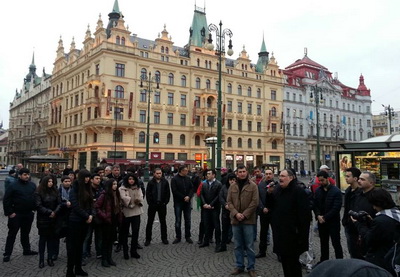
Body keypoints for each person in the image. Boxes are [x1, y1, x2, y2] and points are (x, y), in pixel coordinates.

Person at [269, 169, 311, 277]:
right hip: (280, 234)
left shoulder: (298, 191)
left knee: (294, 264)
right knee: (285, 262)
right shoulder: (277, 190)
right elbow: (271, 207)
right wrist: (269, 194)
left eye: (283, 176)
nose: (280, 178)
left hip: (293, 236)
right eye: (280, 176)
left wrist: (302, 238)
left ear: (291, 178)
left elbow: (305, 217)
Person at [351, 188, 400, 275]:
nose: (373, 207)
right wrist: (371, 222)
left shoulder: (380, 221)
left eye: (374, 204)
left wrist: (359, 224)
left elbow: (368, 240)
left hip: (382, 260)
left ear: (378, 203)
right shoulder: (396, 213)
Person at [227, 165, 259, 277]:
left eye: (244, 171)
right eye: (240, 172)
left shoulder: (253, 186)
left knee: (249, 245)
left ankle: (251, 267)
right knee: (237, 245)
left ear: (247, 172)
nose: (242, 173)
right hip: (235, 220)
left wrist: (244, 215)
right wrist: (236, 213)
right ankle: (239, 266)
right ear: (237, 173)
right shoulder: (232, 187)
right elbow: (229, 202)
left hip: (248, 220)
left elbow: (255, 202)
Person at [3, 168, 38, 262]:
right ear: (19, 175)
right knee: (12, 234)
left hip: (28, 213)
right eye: (25, 174)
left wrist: (34, 209)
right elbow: (6, 200)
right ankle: (7, 253)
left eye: (28, 174)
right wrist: (10, 212)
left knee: (25, 233)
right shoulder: (13, 185)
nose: (27, 176)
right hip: (16, 214)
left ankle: (26, 250)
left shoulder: (32, 185)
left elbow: (36, 197)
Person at [66, 169, 94, 277]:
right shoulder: (74, 189)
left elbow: (92, 204)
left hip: (85, 221)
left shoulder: (88, 188)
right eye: (86, 177)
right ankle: (70, 271)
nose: (87, 179)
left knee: (79, 246)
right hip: (75, 221)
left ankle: (78, 268)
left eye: (88, 177)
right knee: (72, 247)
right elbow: (75, 205)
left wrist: (91, 215)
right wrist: (87, 216)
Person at [313, 170, 343, 266]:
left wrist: (324, 217)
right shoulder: (318, 190)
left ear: (327, 179)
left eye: (322, 180)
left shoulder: (336, 191)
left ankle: (340, 262)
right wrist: (318, 215)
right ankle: (324, 261)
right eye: (319, 181)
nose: (321, 183)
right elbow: (315, 205)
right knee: (323, 243)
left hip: (333, 222)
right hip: (321, 222)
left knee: (336, 242)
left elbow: (336, 208)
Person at [35, 176, 62, 268]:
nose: (50, 183)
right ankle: (41, 259)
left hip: (54, 218)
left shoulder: (55, 191)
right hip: (43, 219)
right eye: (49, 181)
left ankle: (50, 258)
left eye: (52, 181)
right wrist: (49, 212)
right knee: (42, 240)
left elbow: (59, 203)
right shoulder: (39, 192)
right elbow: (38, 205)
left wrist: (55, 212)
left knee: (51, 239)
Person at [95, 178, 121, 267]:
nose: (115, 186)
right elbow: (97, 207)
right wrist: (104, 215)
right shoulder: (104, 195)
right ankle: (104, 259)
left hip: (114, 219)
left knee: (111, 240)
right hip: (106, 221)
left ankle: (109, 258)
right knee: (105, 240)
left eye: (116, 184)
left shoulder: (116, 194)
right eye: (113, 184)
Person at [119, 173, 144, 259]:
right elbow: (123, 198)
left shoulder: (138, 187)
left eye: (133, 179)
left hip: (136, 212)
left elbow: (141, 197)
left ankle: (133, 251)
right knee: (125, 232)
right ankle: (125, 251)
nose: (131, 180)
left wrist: (138, 200)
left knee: (135, 231)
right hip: (126, 212)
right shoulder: (122, 188)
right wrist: (131, 201)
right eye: (129, 179)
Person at [145, 168, 170, 246]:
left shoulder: (165, 182)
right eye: (157, 173)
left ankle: (164, 238)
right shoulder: (150, 182)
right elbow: (148, 194)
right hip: (153, 205)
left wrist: (165, 203)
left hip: (162, 205)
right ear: (154, 174)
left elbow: (167, 193)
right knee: (150, 222)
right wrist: (150, 203)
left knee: (163, 222)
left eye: (160, 173)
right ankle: (148, 239)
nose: (159, 175)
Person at [199, 169, 222, 252]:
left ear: (213, 175)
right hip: (206, 207)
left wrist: (211, 205)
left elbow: (218, 196)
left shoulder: (218, 184)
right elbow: (201, 194)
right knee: (206, 224)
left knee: (216, 225)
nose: (207, 175)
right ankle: (206, 241)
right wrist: (204, 204)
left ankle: (218, 243)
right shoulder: (204, 184)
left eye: (209, 174)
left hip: (214, 208)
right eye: (207, 174)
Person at [82, 173, 103, 262]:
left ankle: (99, 252)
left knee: (99, 235)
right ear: (91, 180)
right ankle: (85, 253)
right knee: (87, 236)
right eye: (96, 178)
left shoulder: (101, 189)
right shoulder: (87, 189)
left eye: (99, 178)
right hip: (89, 215)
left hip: (99, 215)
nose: (98, 180)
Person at [342, 167, 362, 259]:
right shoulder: (348, 191)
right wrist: (345, 221)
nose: (346, 178)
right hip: (348, 225)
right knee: (351, 250)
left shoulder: (361, 193)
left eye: (348, 176)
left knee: (359, 252)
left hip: (358, 226)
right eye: (346, 176)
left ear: (355, 178)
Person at [256, 168, 276, 258]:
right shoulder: (261, 185)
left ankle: (278, 252)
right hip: (264, 212)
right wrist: (262, 207)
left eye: (270, 174)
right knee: (263, 232)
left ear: (273, 175)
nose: (268, 175)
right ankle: (262, 251)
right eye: (267, 174)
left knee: (276, 233)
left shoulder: (277, 185)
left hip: (274, 212)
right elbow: (258, 198)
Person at [171, 165, 194, 244]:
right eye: (185, 170)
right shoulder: (174, 179)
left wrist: (189, 196)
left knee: (188, 220)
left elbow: (192, 188)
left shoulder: (188, 178)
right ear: (181, 171)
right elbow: (175, 191)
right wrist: (184, 197)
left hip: (187, 203)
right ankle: (178, 236)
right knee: (178, 220)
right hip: (178, 202)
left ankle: (188, 236)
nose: (187, 172)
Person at [219, 172, 235, 252]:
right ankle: (223, 245)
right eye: (230, 180)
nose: (232, 181)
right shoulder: (224, 187)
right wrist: (225, 204)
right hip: (225, 211)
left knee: (235, 229)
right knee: (224, 229)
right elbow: (221, 196)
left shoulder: (237, 188)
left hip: (234, 211)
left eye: (233, 180)